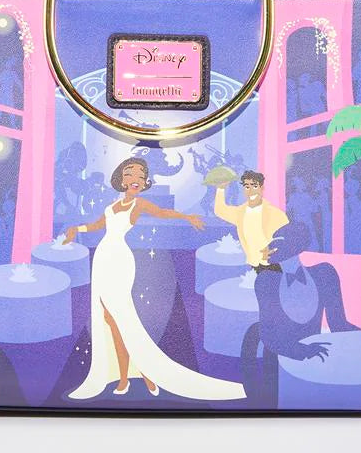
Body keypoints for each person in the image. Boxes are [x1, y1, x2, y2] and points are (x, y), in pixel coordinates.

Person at [63, 156, 245, 401]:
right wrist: (77, 229)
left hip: (119, 260)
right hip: (103, 259)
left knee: (121, 318)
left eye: (141, 175)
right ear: (121, 178)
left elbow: (162, 212)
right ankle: (135, 374)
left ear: (144, 182)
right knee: (108, 319)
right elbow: (97, 225)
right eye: (130, 173)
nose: (135, 179)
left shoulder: (137, 205)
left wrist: (186, 217)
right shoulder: (112, 206)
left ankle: (138, 375)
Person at [213, 169, 288, 268]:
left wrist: (276, 251)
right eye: (247, 187)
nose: (251, 191)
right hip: (252, 265)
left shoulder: (275, 214)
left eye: (255, 186)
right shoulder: (240, 213)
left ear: (262, 188)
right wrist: (220, 189)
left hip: (273, 265)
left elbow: (288, 238)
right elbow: (220, 210)